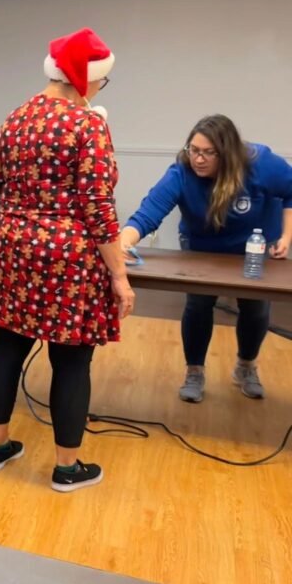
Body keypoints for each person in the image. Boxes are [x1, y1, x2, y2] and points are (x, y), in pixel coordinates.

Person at [0, 27, 134, 493]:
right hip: (68, 257)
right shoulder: (87, 125)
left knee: (5, 346)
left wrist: (21, 219)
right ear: (85, 76)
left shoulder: (15, 118)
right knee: (71, 361)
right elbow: (98, 206)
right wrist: (119, 275)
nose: (100, 89)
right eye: (102, 81)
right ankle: (67, 469)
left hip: (11, 247)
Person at [120, 114, 292, 402]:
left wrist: (286, 237)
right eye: (194, 150)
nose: (198, 159)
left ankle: (246, 366)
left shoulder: (261, 164)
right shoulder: (181, 172)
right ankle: (195, 371)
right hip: (202, 246)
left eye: (208, 153)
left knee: (255, 308)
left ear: (227, 153)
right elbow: (148, 213)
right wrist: (123, 242)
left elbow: (290, 192)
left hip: (251, 248)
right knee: (198, 304)